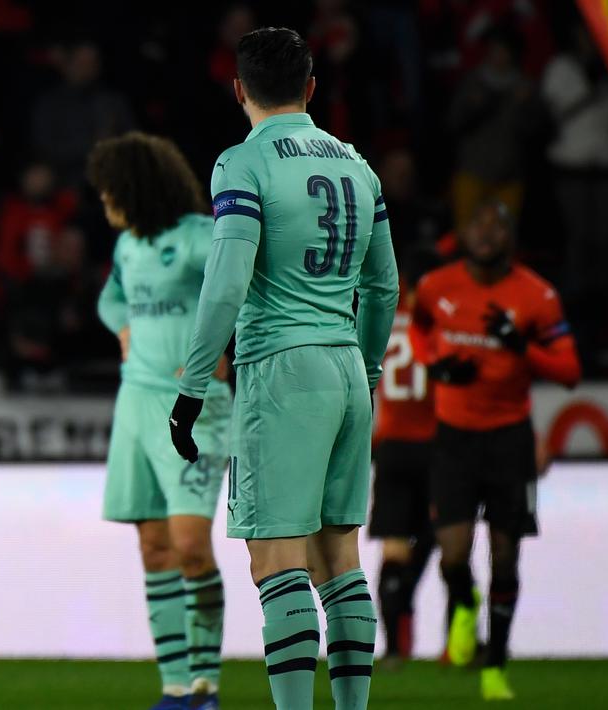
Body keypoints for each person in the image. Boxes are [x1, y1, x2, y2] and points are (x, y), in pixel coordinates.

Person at [169, 27, 399, 710]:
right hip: (346, 366)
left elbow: (227, 281)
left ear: (237, 90)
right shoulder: (358, 166)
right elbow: (382, 287)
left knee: (276, 561)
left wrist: (189, 386)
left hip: (279, 369)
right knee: (339, 559)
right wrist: (368, 368)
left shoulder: (243, 163)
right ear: (310, 89)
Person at [410, 201, 581, 700]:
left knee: (506, 556)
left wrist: (521, 346)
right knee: (451, 556)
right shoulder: (437, 287)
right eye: (476, 225)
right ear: (462, 235)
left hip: (509, 440)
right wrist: (436, 368)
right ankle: (464, 604)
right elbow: (420, 329)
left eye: (496, 225)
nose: (485, 233)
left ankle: (494, 667)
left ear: (510, 237)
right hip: (454, 439)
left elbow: (570, 373)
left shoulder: (537, 296)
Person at [90, 131, 233, 710]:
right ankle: (176, 687)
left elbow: (244, 290)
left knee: (191, 545)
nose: (104, 203)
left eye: (110, 192)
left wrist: (227, 345)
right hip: (136, 403)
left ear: (136, 188)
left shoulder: (199, 239)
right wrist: (122, 325)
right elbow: (109, 299)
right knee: (153, 546)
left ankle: (207, 685)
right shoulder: (128, 248)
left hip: (193, 407)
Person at [367, 245, 442, 667]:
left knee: (393, 548)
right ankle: (458, 643)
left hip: (391, 446)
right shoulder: (437, 322)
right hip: (435, 445)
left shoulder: (379, 318)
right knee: (446, 538)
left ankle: (395, 649)